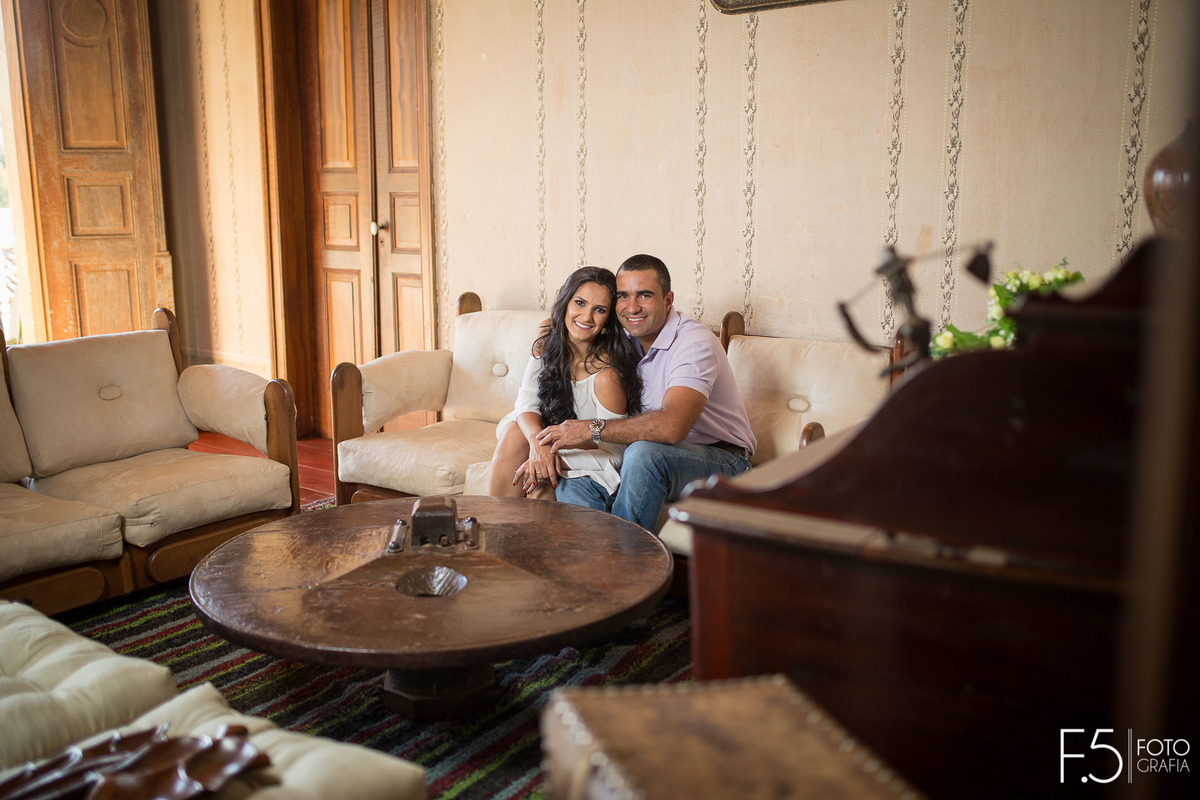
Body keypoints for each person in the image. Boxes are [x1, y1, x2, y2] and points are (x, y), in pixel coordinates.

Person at [537, 254, 756, 530]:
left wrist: (590, 429)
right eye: (623, 296)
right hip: (640, 454)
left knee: (643, 455)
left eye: (644, 295)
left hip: (722, 461)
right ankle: (592, 551)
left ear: (668, 300)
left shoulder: (694, 343)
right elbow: (565, 325)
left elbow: (672, 426)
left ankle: (626, 554)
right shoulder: (623, 337)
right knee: (576, 479)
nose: (632, 307)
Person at [487, 266, 643, 500]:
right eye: (580, 303)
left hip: (585, 456)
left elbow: (614, 452)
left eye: (599, 310)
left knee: (539, 489)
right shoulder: (547, 335)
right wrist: (538, 445)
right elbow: (527, 400)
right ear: (566, 302)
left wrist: (551, 459)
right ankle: (494, 520)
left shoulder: (606, 376)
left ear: (608, 320)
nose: (587, 317)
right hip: (546, 437)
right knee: (514, 433)